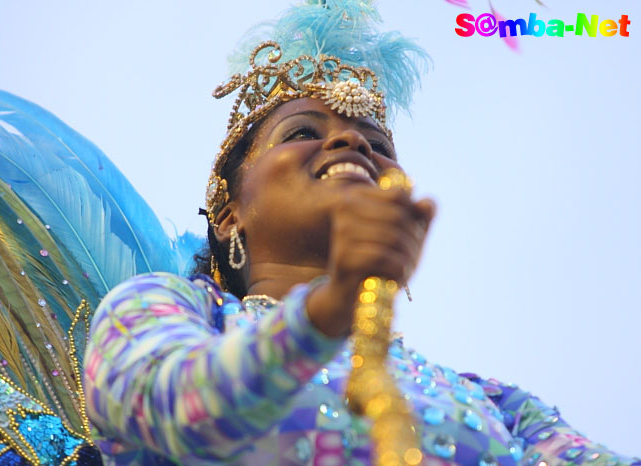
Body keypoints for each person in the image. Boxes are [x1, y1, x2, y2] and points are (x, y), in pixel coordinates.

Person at [80, 1, 639, 465]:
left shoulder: (498, 402)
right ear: (229, 215)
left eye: (379, 145)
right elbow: (169, 404)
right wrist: (325, 311)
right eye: (302, 130)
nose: (356, 146)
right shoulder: (170, 309)